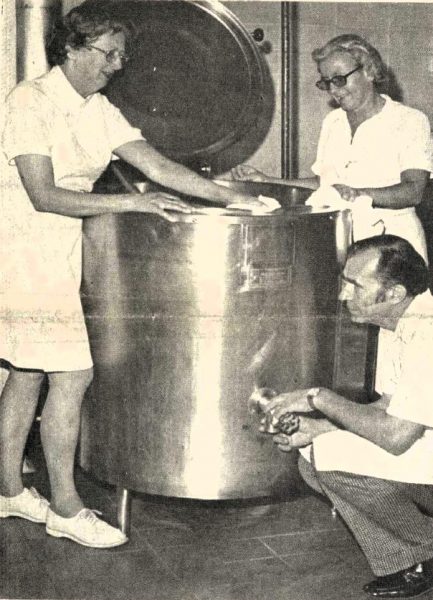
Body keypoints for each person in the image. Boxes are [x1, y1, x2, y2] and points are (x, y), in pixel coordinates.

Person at [0, 3, 268, 549]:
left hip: (56, 250)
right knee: (71, 376)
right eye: (108, 53)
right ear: (72, 49)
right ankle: (66, 508)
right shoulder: (31, 100)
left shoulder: (96, 107)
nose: (118, 65)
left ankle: (9, 490)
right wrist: (133, 204)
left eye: (122, 54)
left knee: (27, 372)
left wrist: (241, 199)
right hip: (22, 250)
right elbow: (43, 194)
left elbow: (160, 167)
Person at [263, 235, 433, 598]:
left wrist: (318, 398)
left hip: (417, 447)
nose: (342, 295)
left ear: (393, 294)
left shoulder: (428, 333)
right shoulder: (402, 321)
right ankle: (414, 555)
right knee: (315, 451)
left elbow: (396, 437)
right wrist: (318, 428)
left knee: (331, 456)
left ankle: (422, 550)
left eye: (355, 286)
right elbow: (390, 410)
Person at [233, 34, 431, 260]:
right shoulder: (333, 122)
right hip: (340, 239)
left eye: (339, 79)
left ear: (368, 70)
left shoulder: (409, 120)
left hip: (394, 244)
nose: (333, 91)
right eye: (326, 83)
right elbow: (323, 184)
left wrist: (358, 194)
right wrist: (267, 180)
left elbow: (413, 190)